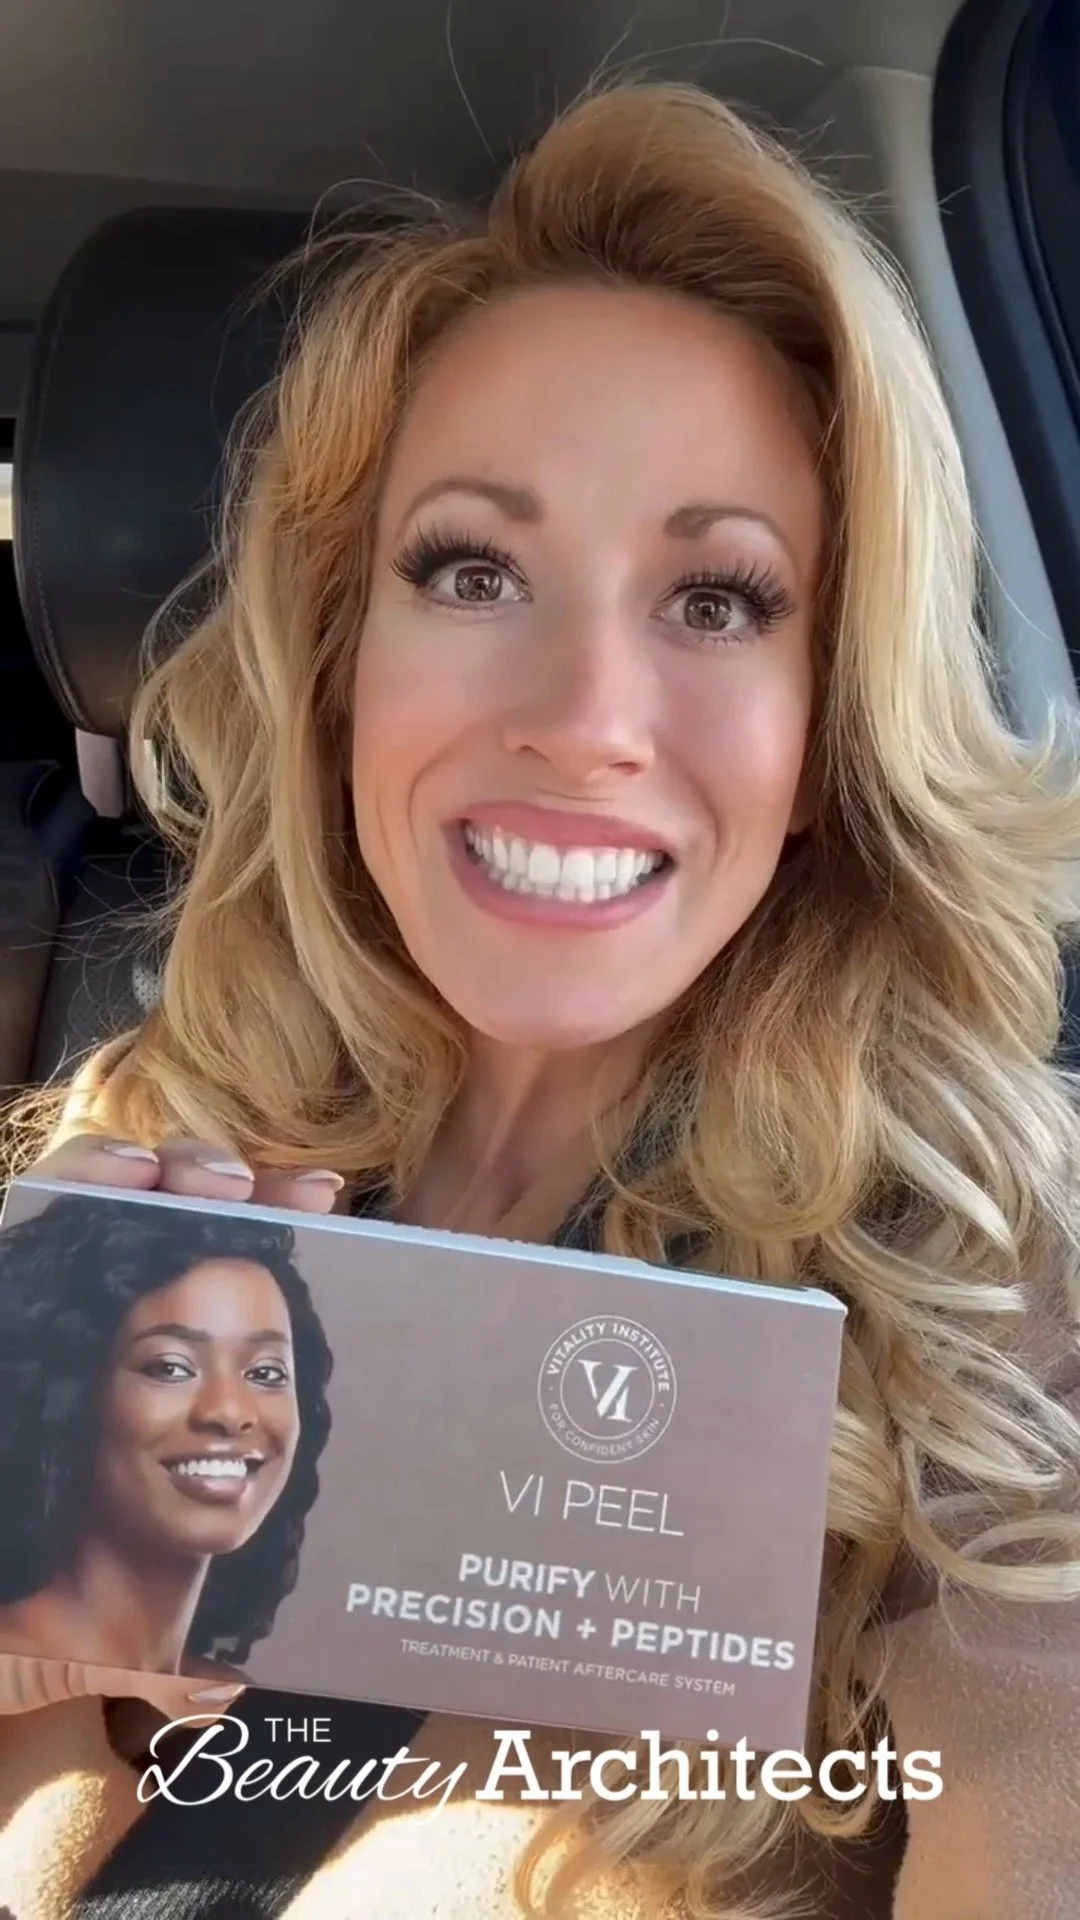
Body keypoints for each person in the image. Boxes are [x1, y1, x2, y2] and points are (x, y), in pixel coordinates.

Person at [2, 74, 1080, 1920]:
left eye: (719, 600)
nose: (586, 720)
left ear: (828, 730)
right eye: (473, 569)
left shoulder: (1001, 1295)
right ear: (342, 662)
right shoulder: (139, 1162)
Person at [0, 1196, 332, 1680]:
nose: (229, 1412)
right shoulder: (17, 1676)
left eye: (265, 1373)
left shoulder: (224, 1695)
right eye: (170, 1368)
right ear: (66, 1392)